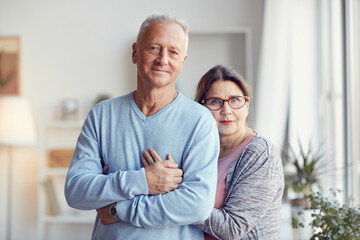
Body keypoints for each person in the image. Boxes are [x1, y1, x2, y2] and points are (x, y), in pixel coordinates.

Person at [64, 14, 220, 240]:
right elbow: (77, 191)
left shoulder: (200, 121)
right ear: (135, 52)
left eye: (173, 52)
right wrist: (143, 181)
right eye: (154, 48)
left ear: (183, 61)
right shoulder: (101, 115)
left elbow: (197, 205)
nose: (163, 59)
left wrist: (118, 210)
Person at [142, 65, 284, 239]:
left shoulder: (261, 155)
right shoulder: (197, 149)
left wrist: (172, 190)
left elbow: (232, 228)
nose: (227, 110)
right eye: (215, 101)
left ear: (246, 105)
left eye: (235, 100)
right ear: (201, 109)